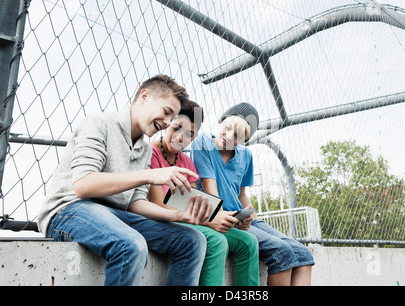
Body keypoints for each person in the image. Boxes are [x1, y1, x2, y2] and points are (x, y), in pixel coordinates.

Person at [37, 74, 212, 286]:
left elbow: (136, 203)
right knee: (131, 245)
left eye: (171, 118)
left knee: (192, 240)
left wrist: (176, 215)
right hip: (69, 209)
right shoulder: (99, 123)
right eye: (166, 112)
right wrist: (149, 175)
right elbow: (83, 185)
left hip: (116, 214)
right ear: (144, 97)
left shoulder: (145, 150)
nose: (166, 123)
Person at [129, 100, 260, 286]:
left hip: (187, 218)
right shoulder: (151, 153)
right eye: (176, 128)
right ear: (166, 125)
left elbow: (198, 204)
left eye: (189, 134)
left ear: (194, 136)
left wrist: (231, 219)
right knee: (216, 241)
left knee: (248, 242)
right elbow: (158, 203)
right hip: (162, 219)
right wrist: (209, 220)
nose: (180, 138)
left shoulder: (187, 163)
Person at [191, 102, 315, 286]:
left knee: (303, 254)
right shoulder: (203, 143)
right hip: (220, 215)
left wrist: (253, 219)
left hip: (241, 217)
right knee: (282, 252)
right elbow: (211, 191)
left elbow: (242, 195)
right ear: (221, 122)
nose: (228, 137)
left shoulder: (245, 156)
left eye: (237, 136)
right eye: (227, 129)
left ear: (243, 140)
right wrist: (234, 218)